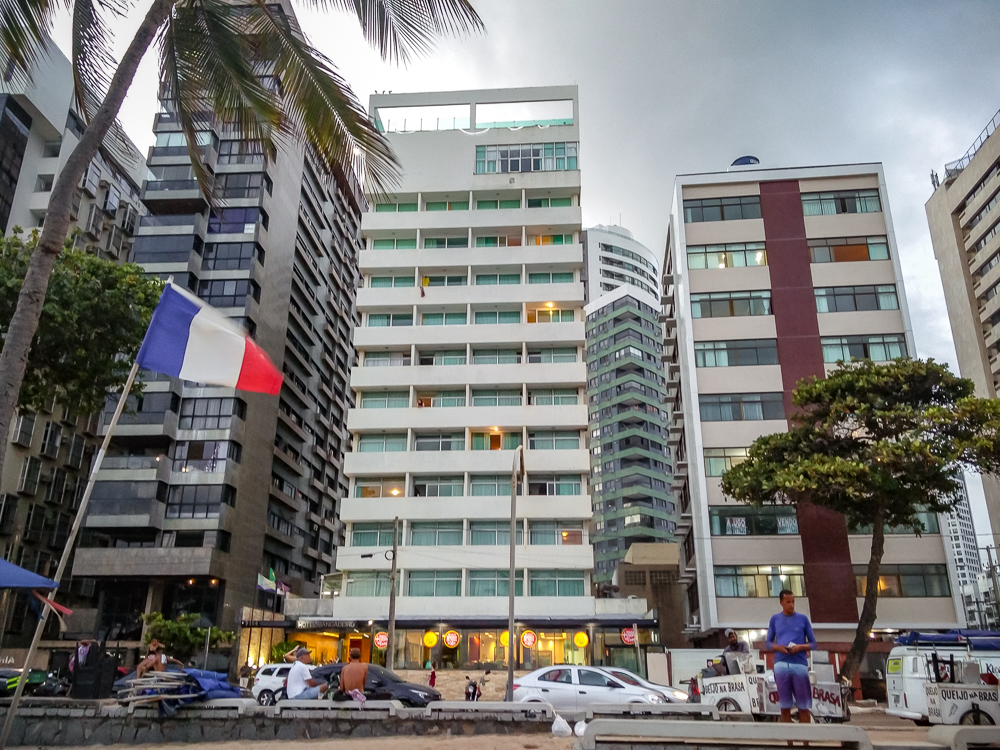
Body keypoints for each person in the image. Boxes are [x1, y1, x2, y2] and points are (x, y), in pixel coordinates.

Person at [766, 589, 817, 724]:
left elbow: (813, 644)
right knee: (785, 706)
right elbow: (768, 643)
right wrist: (779, 648)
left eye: (793, 601)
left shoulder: (803, 619)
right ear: (781, 602)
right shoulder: (775, 619)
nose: (791, 605)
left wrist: (800, 647)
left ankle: (805, 743)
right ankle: (789, 743)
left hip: (799, 664)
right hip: (781, 664)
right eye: (788, 602)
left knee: (803, 706)